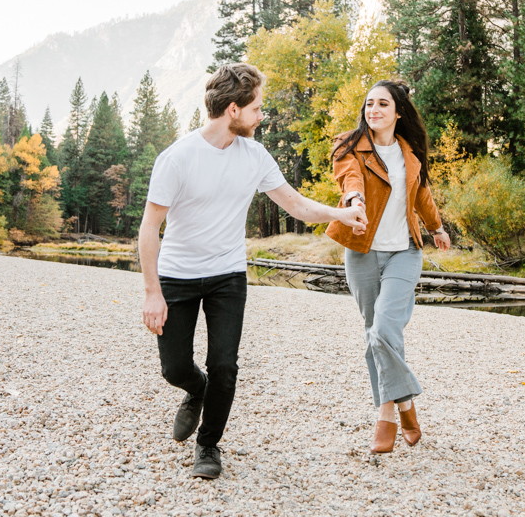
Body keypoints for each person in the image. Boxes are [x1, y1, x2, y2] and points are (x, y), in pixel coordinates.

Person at [139, 62, 367, 480]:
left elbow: (296, 205)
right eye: (257, 108)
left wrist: (342, 213)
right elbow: (149, 228)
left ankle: (208, 445)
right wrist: (153, 292)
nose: (262, 116)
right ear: (232, 110)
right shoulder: (178, 158)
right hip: (177, 276)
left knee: (225, 364)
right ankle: (195, 389)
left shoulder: (255, 155)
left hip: (228, 275)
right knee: (175, 367)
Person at [326, 80, 450, 455]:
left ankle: (386, 416)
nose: (373, 110)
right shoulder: (349, 145)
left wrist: (437, 227)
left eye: (382, 104)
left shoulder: (410, 153)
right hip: (362, 250)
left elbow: (421, 193)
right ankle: (408, 406)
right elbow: (350, 178)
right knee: (374, 334)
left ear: (398, 112)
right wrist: (354, 201)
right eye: (369, 104)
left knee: (383, 328)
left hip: (404, 251)